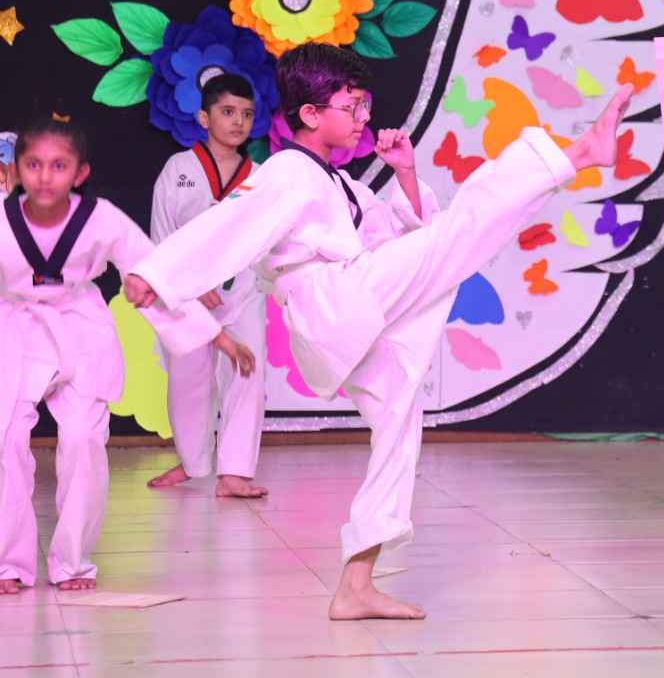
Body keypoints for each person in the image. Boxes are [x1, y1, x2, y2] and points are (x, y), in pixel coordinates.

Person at [123, 44, 630, 621]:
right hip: (332, 298)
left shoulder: (337, 181)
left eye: (365, 105)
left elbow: (394, 230)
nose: (364, 118)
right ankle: (580, 152)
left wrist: (406, 173)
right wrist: (156, 275)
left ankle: (356, 583)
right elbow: (230, 223)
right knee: (455, 235)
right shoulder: (287, 171)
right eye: (352, 106)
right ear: (310, 113)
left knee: (400, 417)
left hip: (345, 307)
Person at [1, 113, 243, 596]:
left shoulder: (101, 217)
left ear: (80, 173)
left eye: (58, 165)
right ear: (16, 171)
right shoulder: (4, 221)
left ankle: (72, 562)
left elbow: (153, 270)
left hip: (81, 330)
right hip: (15, 331)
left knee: (83, 441)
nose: (45, 177)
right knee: (6, 444)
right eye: (33, 165)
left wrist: (212, 332)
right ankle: (9, 562)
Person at [147, 73, 271, 499]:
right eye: (228, 112)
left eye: (247, 114)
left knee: (247, 371)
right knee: (189, 379)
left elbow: (264, 238)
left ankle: (234, 471)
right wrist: (189, 284)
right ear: (204, 118)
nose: (238, 122)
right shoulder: (178, 169)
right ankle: (193, 461)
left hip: (242, 290)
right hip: (186, 295)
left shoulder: (261, 177)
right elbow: (161, 238)